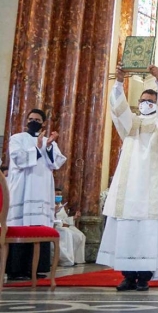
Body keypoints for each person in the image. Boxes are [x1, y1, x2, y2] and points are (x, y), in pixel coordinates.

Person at [97, 64, 158, 292]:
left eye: (150, 101)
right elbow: (117, 109)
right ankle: (128, 276)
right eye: (142, 100)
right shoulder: (130, 124)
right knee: (128, 232)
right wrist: (119, 82)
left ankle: (144, 277)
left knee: (149, 234)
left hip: (151, 190)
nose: (145, 104)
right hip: (130, 188)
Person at [6, 108, 66, 280]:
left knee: (39, 228)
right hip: (22, 190)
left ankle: (36, 268)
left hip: (41, 191)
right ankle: (16, 270)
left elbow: (57, 162)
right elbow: (18, 158)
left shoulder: (49, 141)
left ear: (43, 123)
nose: (33, 121)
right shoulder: (17, 138)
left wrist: (47, 147)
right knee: (21, 225)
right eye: (31, 118)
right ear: (26, 121)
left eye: (37, 120)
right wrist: (38, 149)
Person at [53, 188, 86, 266]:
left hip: (64, 225)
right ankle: (66, 260)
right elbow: (52, 219)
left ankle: (77, 259)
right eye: (57, 194)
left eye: (60, 194)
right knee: (68, 233)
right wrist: (61, 222)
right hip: (56, 227)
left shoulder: (61, 205)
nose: (59, 196)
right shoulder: (50, 205)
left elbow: (64, 218)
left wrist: (74, 217)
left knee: (80, 235)